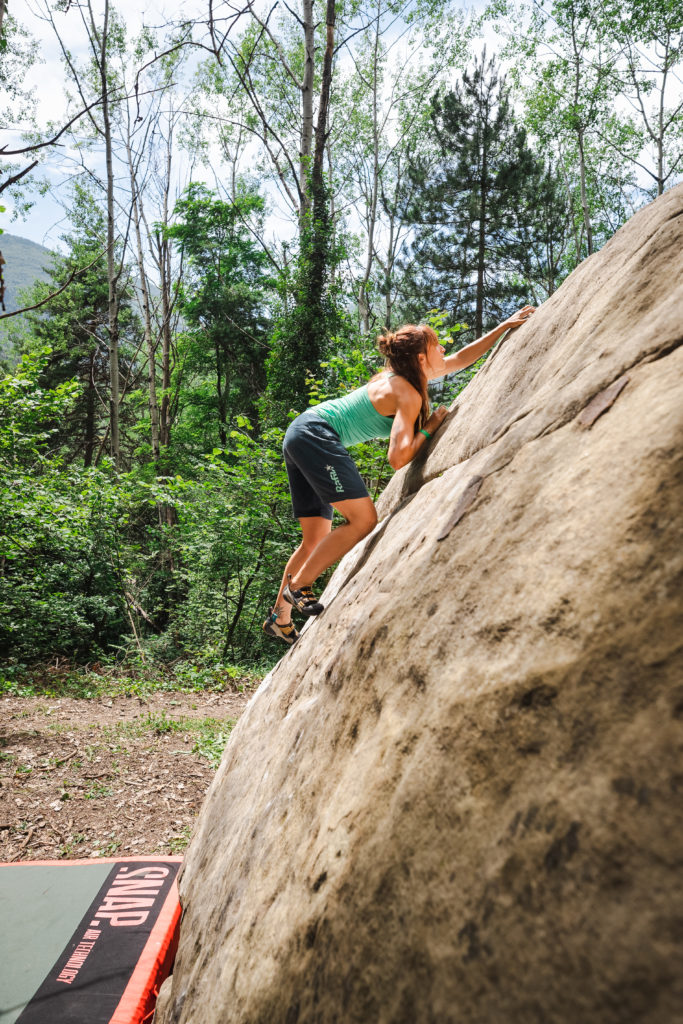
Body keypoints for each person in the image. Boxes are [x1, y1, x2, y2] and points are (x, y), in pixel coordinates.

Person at [263, 306, 536, 644]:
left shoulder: (401, 377)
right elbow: (397, 458)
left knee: (315, 537)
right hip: (316, 435)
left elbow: (462, 359)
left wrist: (503, 327)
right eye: (437, 346)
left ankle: (280, 618)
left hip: (301, 430)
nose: (444, 351)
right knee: (363, 520)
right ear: (422, 358)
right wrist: (431, 427)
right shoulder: (406, 393)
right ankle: (299, 586)